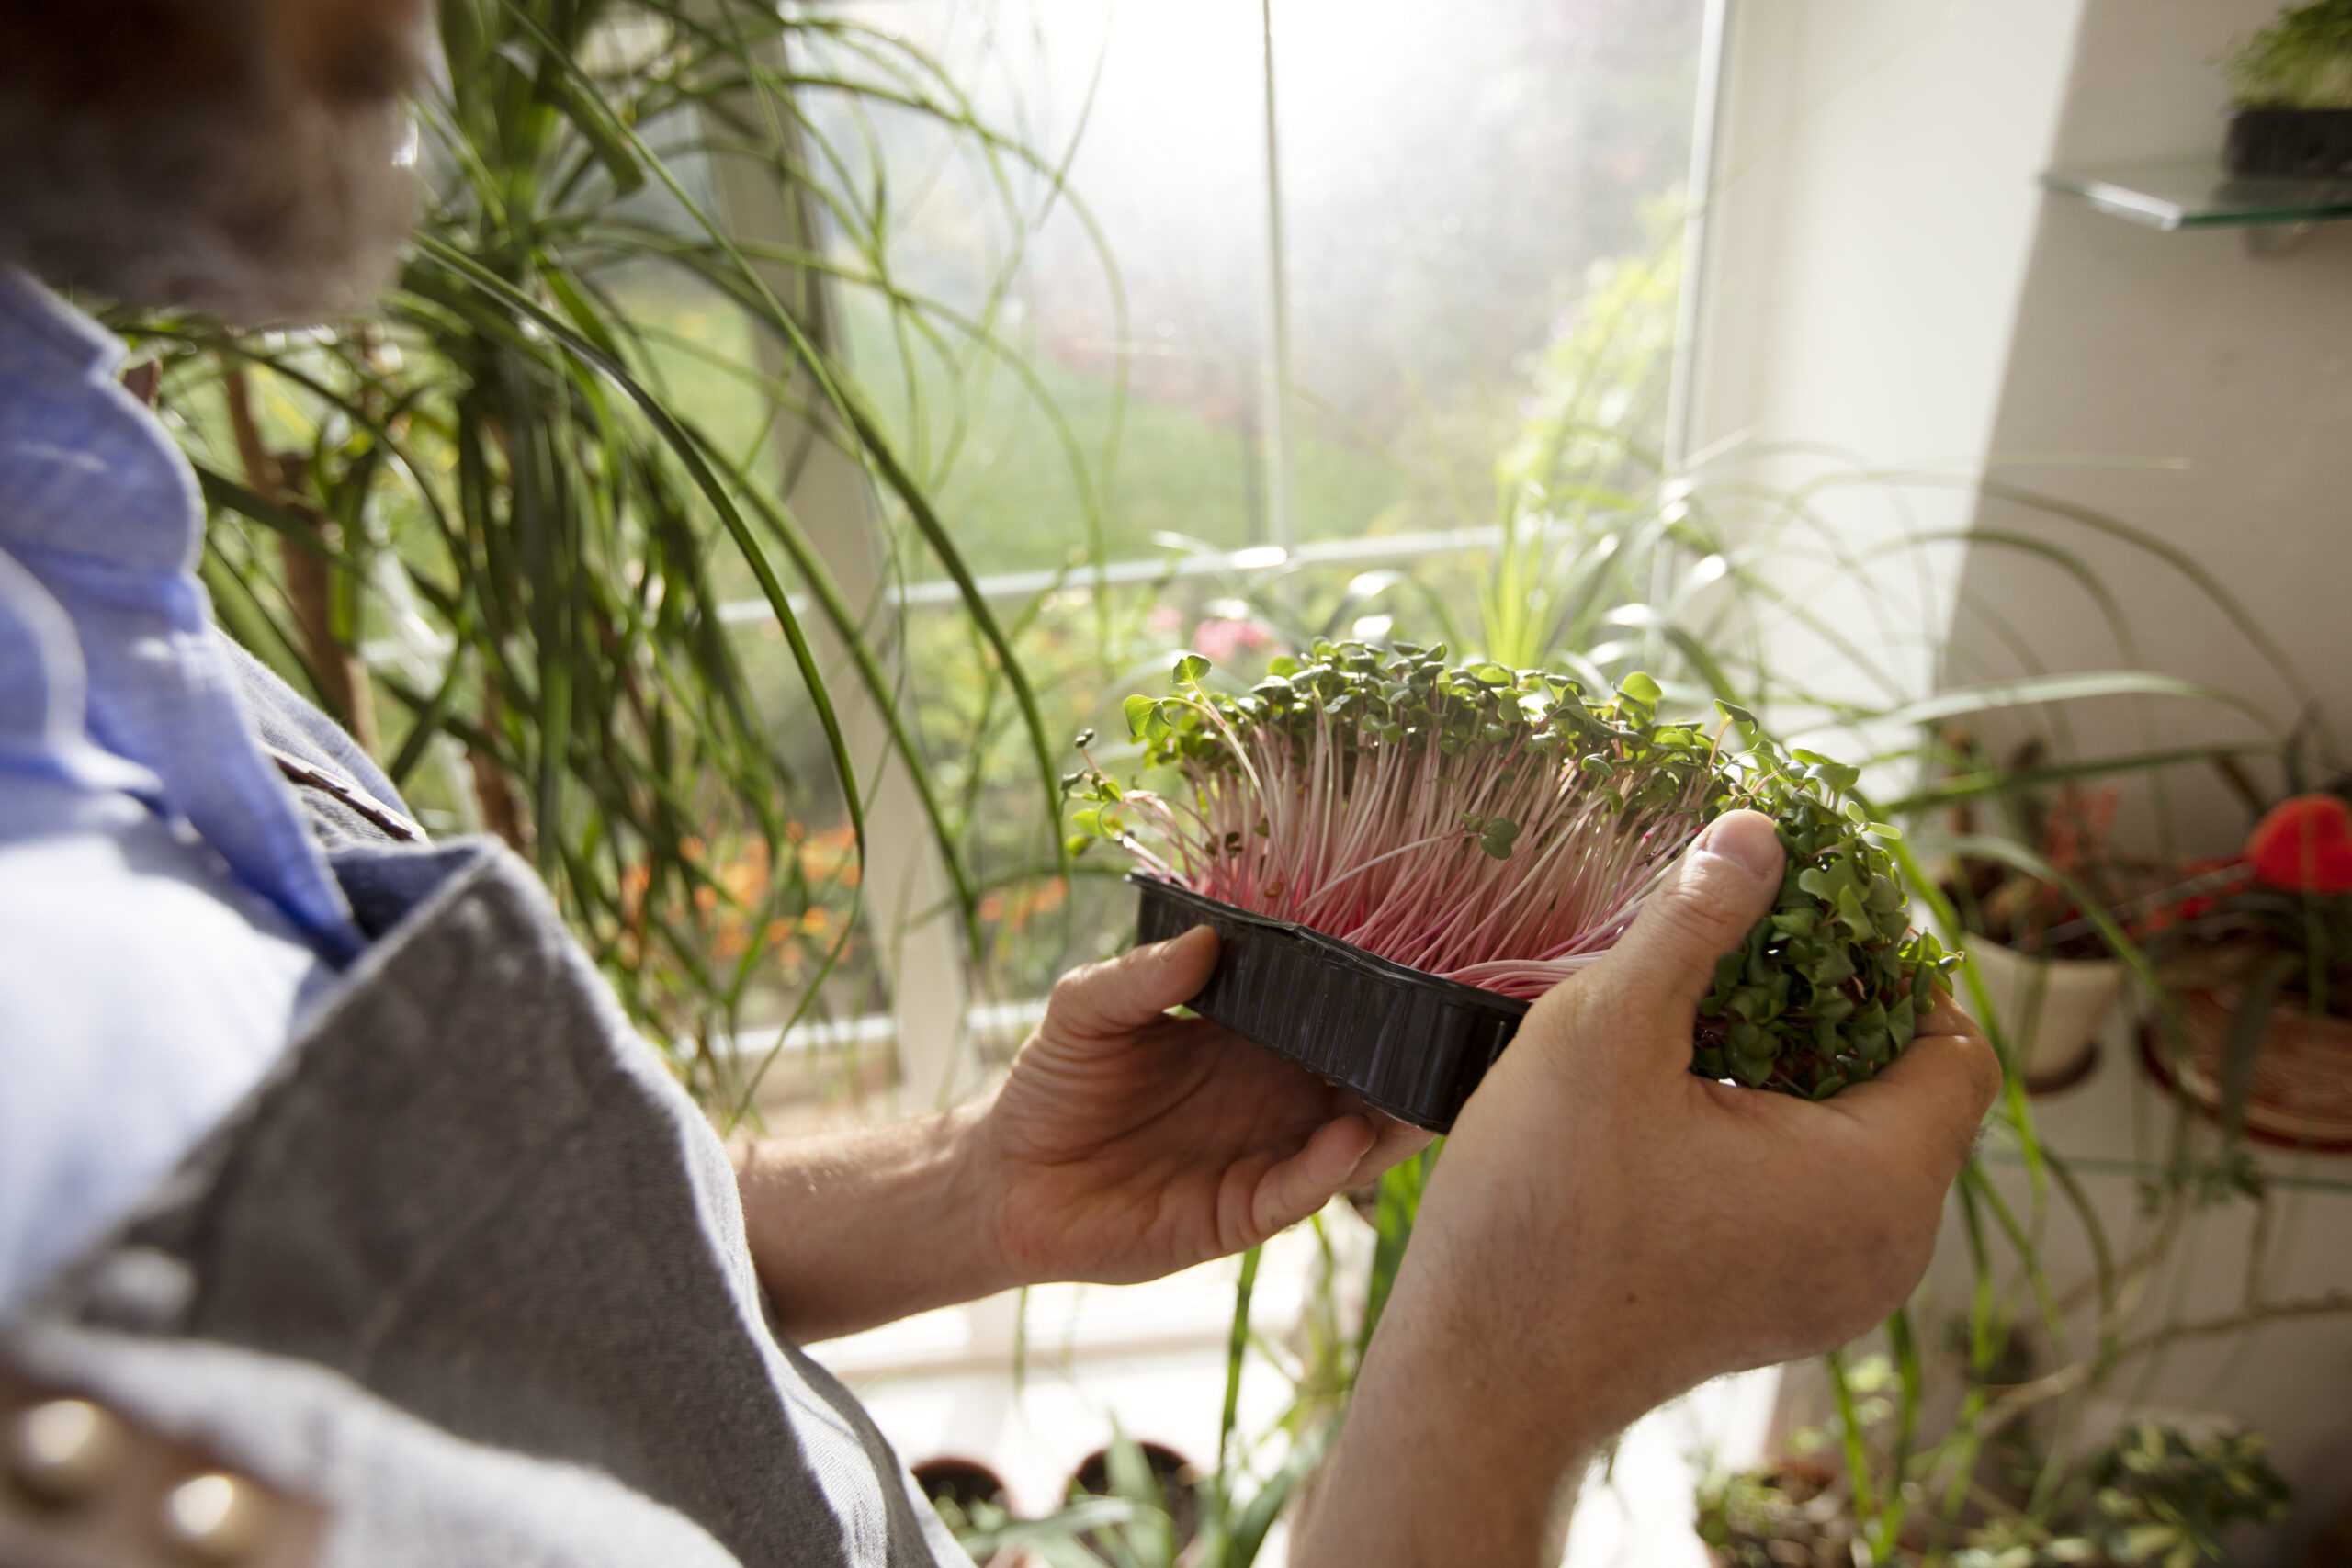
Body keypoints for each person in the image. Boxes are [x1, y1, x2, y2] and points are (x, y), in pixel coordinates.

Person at [0, 4, 2001, 1564]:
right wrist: (1511, 1369)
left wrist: (962, 1196)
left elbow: (437, 1276)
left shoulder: (65, 553)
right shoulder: (73, 1349)